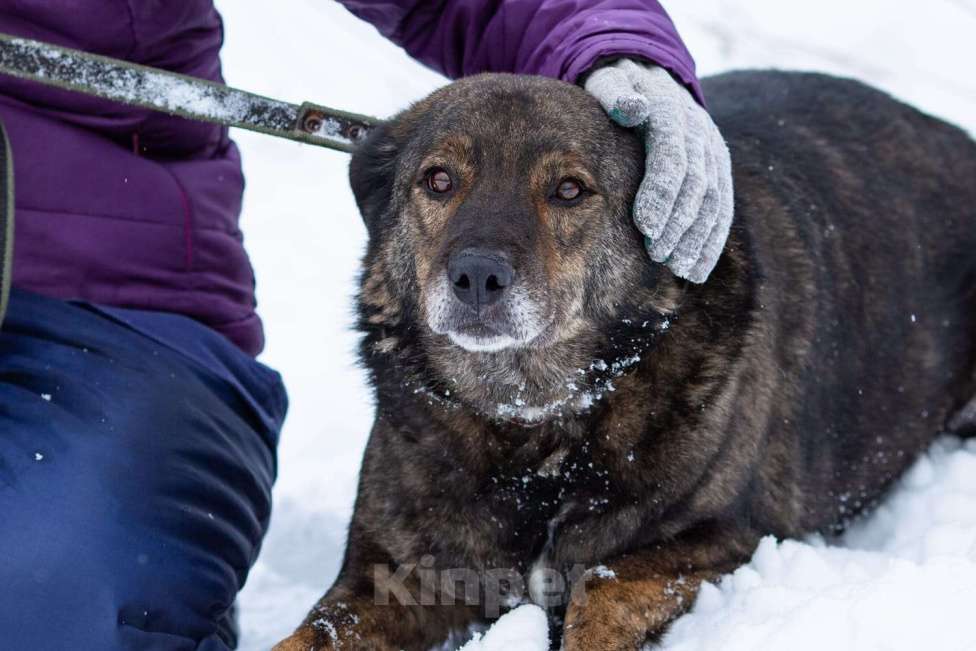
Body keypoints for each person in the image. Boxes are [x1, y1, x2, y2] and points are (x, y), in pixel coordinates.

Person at [0, 1, 732, 649]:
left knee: (50, 608)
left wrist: (617, 50)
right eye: (439, 182)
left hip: (105, 303)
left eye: (567, 191)